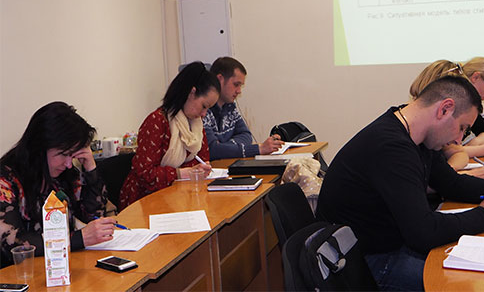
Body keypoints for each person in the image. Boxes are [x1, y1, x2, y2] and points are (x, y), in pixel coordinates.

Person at [316, 76, 484, 291]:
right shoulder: (391, 148)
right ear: (445, 109)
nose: (459, 139)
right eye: (462, 128)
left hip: (387, 245)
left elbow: (452, 184)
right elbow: (423, 232)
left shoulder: (416, 136)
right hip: (364, 264)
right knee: (475, 284)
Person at [0, 102, 115, 266]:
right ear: (40, 148)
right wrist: (78, 238)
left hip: (59, 266)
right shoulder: (5, 180)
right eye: (63, 154)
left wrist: (90, 167)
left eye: (73, 155)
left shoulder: (63, 174)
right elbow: (12, 244)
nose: (68, 164)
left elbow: (93, 216)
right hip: (18, 273)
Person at [119, 62, 217, 209]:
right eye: (204, 106)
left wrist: (201, 170)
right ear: (191, 93)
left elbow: (201, 160)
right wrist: (180, 173)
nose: (204, 114)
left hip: (180, 196)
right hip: (145, 201)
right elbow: (144, 174)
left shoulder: (195, 125)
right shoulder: (157, 121)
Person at [410, 58, 484, 178]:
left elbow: (459, 153)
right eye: (460, 127)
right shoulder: (411, 137)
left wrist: (450, 174)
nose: (458, 139)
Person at [204, 57, 282, 159]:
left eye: (240, 86)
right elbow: (212, 150)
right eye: (236, 84)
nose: (239, 91)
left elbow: (246, 135)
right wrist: (258, 149)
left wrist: (225, 148)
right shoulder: (203, 110)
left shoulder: (230, 106)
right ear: (220, 79)